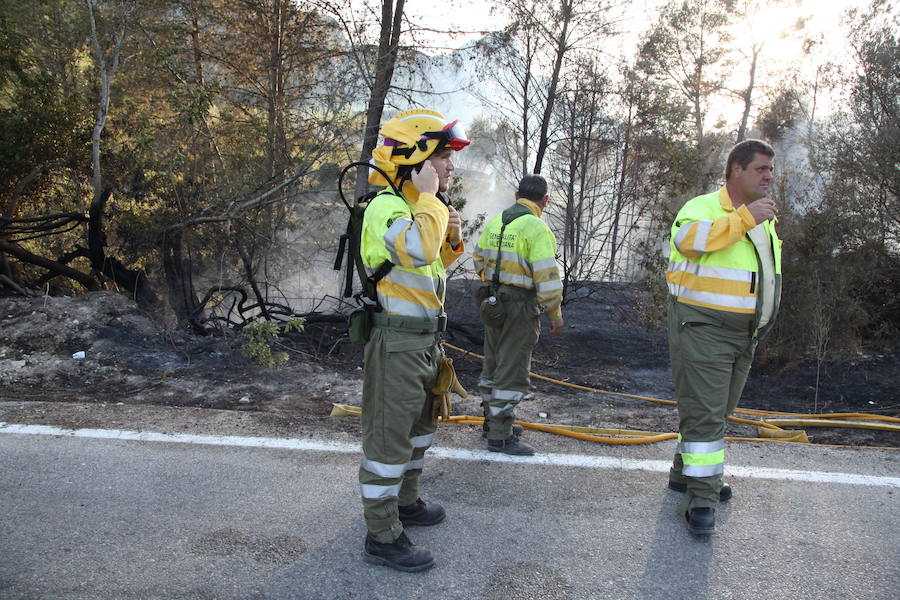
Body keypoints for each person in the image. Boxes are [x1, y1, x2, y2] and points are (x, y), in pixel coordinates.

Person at [356, 109, 470, 572]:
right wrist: (431, 203)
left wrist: (451, 234)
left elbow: (430, 264)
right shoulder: (386, 207)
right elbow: (417, 249)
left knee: (420, 431)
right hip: (397, 345)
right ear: (415, 161)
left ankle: (406, 503)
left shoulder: (414, 209)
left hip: (424, 344)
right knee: (388, 442)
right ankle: (381, 535)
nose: (450, 167)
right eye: (442, 156)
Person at [666, 139, 782, 535]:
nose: (769, 176)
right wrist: (744, 219)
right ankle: (701, 498)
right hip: (703, 328)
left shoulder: (764, 219)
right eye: (760, 169)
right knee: (708, 414)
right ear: (736, 169)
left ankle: (684, 472)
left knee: (715, 408)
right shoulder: (703, 208)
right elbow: (687, 243)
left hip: (743, 334)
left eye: (770, 169)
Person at [472, 174, 564, 456]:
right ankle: (500, 435)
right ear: (545, 201)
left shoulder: (495, 222)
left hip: (492, 303)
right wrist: (554, 313)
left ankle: (492, 421)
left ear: (517, 195)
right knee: (512, 371)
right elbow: (547, 277)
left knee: (493, 363)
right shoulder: (536, 229)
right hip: (520, 306)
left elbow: (477, 258)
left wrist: (495, 286)